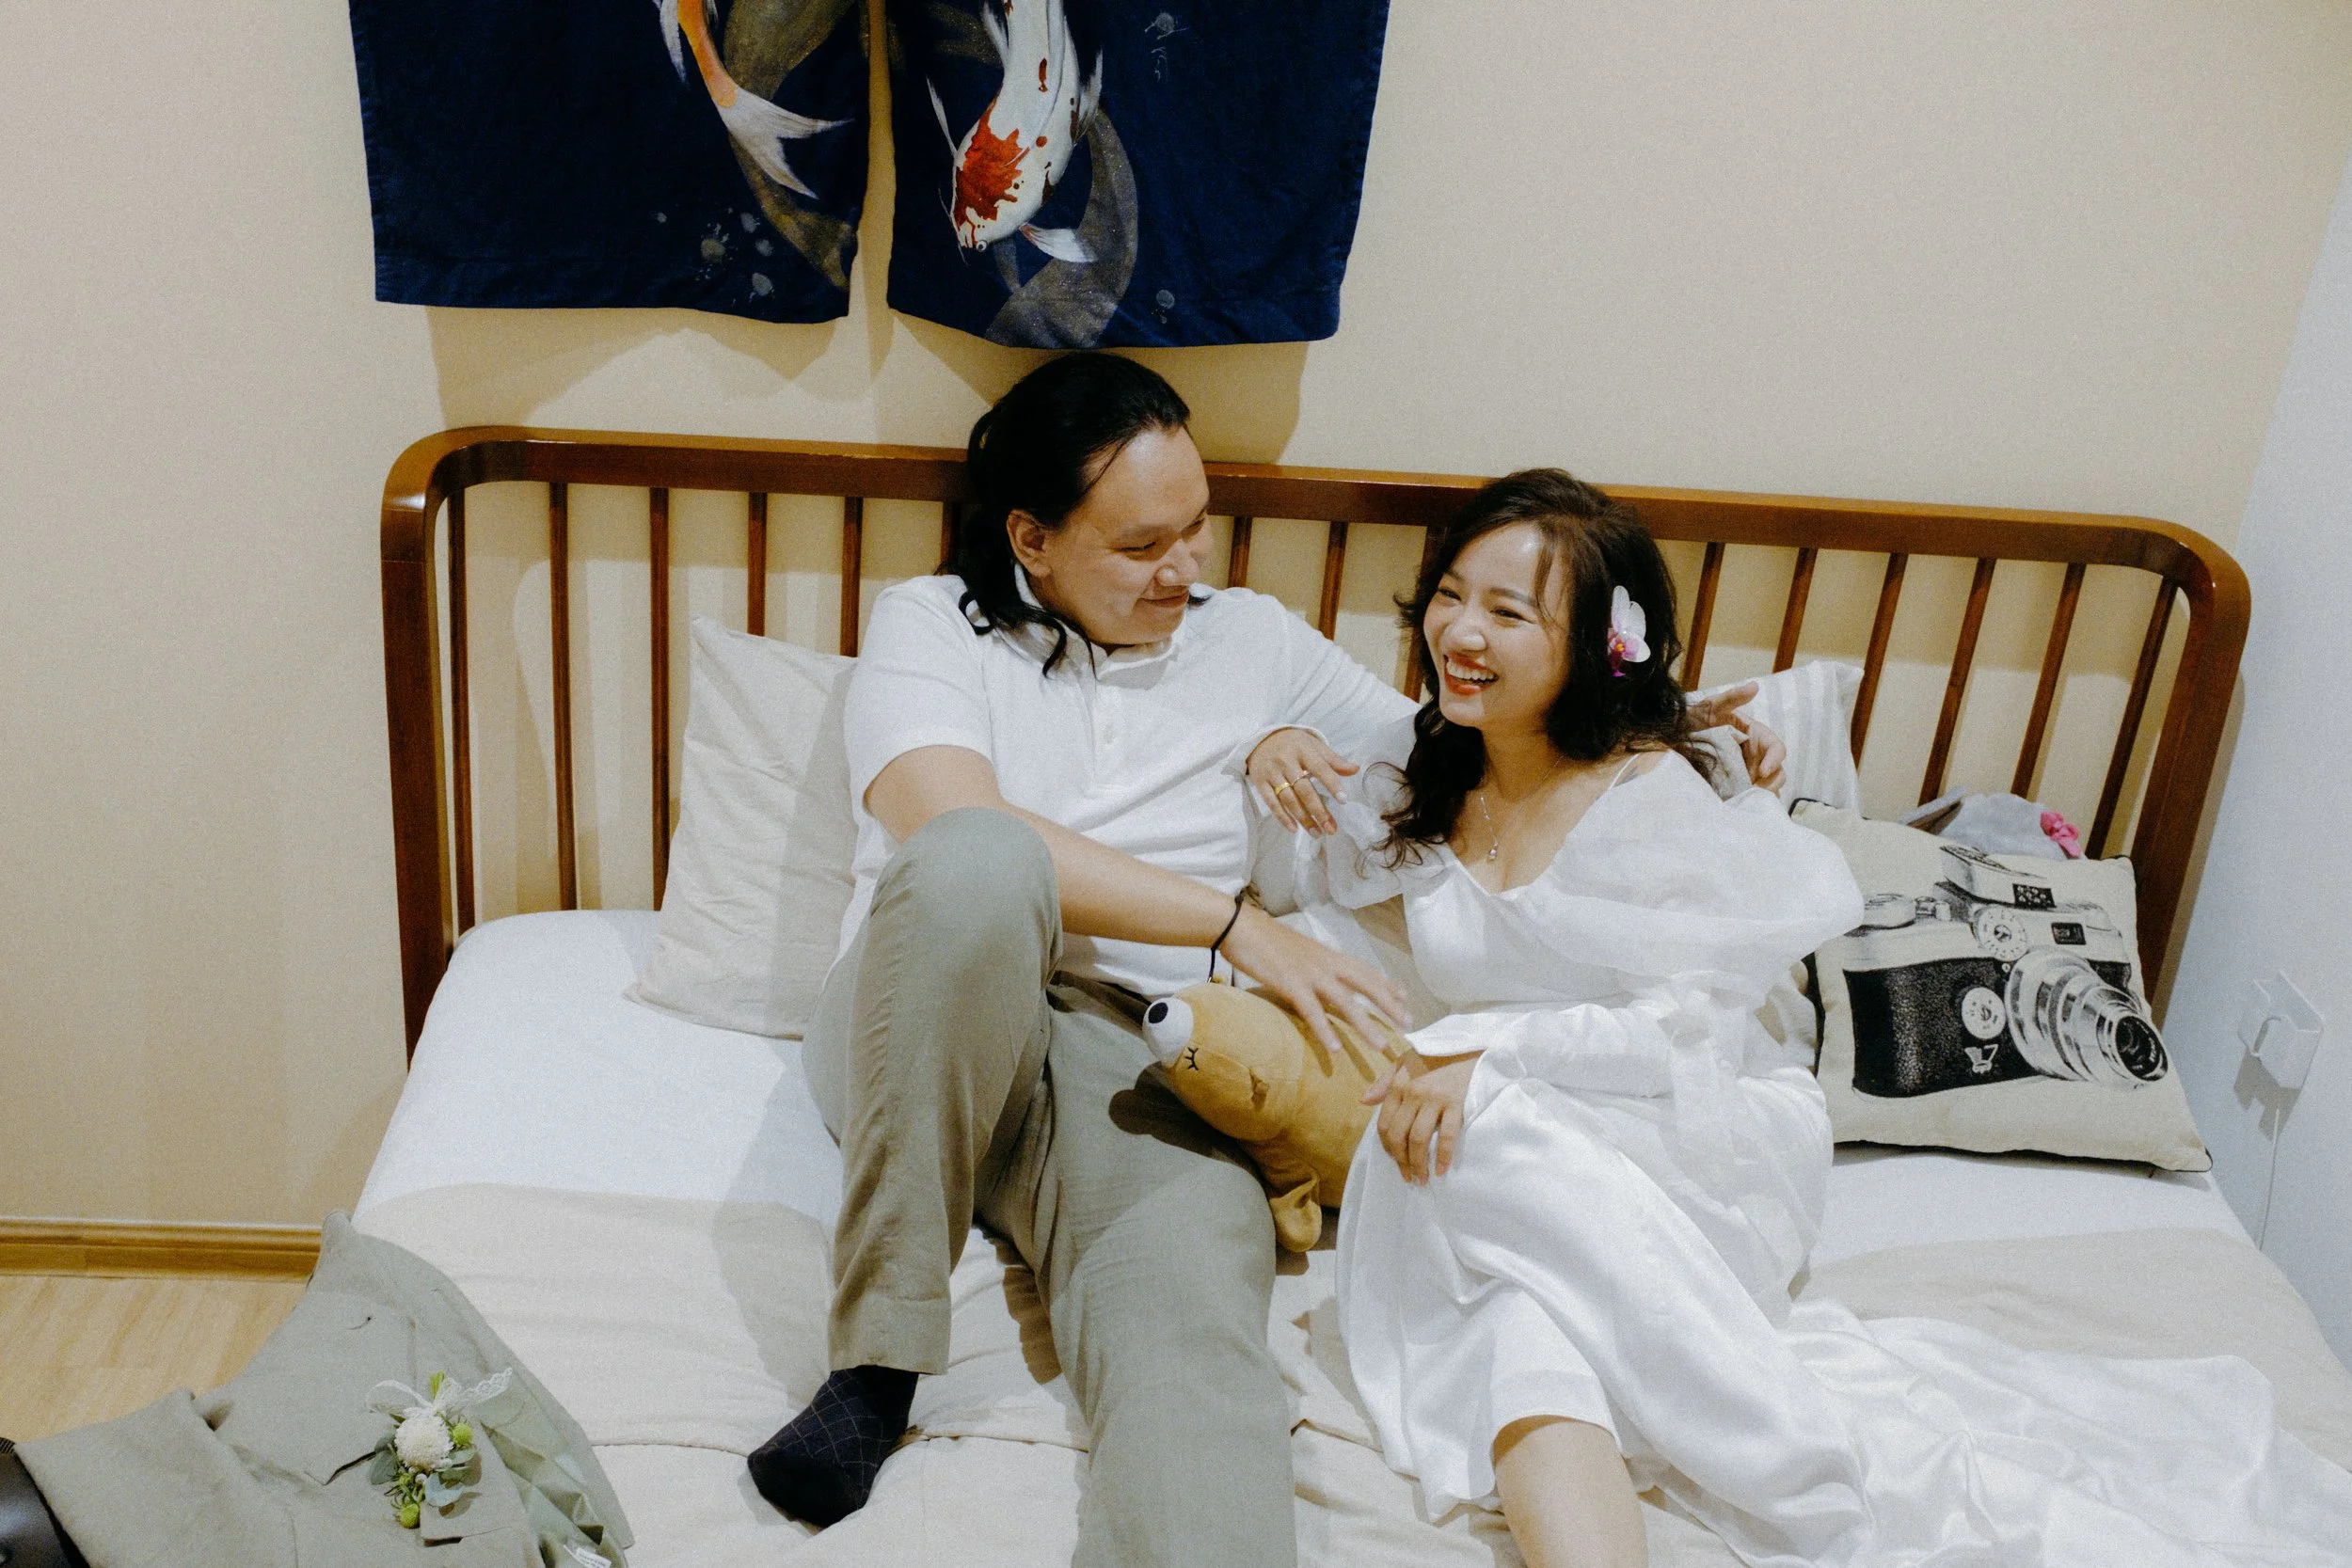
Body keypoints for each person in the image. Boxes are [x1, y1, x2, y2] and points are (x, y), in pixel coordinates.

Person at [1258, 469, 2352, 1567]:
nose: (1460, 631)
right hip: (1522, 1133)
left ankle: (1789, 1449)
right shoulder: (1428, 768)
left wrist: (1481, 1052)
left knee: (1478, 1128)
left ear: (1595, 644)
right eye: (1451, 593)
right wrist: (1269, 750)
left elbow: (1681, 1030)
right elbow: (1300, 875)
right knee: (1522, 1328)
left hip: (1687, 1127)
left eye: (1508, 611)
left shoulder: (1648, 796)